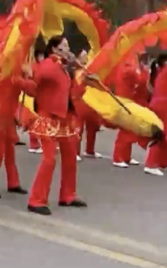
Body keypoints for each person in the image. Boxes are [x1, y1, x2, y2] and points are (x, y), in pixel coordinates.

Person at [27, 35, 86, 216]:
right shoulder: (48, 66)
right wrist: (24, 75)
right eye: (65, 46)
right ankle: (36, 200)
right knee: (49, 159)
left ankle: (68, 195)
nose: (68, 49)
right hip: (48, 117)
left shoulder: (65, 69)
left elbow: (74, 94)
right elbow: (33, 86)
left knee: (70, 157)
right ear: (54, 49)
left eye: (68, 46)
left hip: (64, 118)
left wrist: (85, 81)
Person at [0, 58, 34, 198]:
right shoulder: (10, 76)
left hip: (6, 117)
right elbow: (32, 90)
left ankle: (13, 182)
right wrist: (29, 74)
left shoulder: (9, 74)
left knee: (10, 151)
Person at [111, 56, 149, 168]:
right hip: (125, 101)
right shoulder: (128, 67)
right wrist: (143, 71)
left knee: (129, 129)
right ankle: (117, 157)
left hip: (129, 100)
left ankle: (126, 156)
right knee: (125, 130)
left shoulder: (130, 65)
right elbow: (140, 79)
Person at [71, 50, 102, 160]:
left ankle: (90, 150)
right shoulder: (76, 70)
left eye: (86, 56)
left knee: (92, 126)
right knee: (78, 128)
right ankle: (75, 152)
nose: (86, 58)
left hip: (89, 101)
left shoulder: (87, 70)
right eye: (83, 56)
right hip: (78, 101)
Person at [26, 49, 44, 153]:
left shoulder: (41, 66)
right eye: (41, 56)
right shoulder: (33, 66)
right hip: (34, 96)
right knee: (35, 120)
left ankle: (39, 143)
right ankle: (34, 144)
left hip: (41, 96)